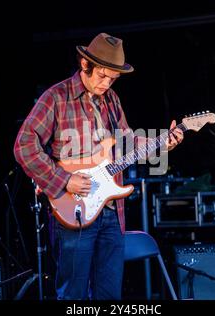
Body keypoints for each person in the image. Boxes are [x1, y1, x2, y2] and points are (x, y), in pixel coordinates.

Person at [13, 33, 183, 300]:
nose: (107, 83)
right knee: (74, 296)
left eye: (113, 78)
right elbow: (24, 145)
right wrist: (63, 180)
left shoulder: (112, 100)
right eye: (102, 76)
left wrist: (162, 143)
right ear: (84, 65)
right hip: (74, 212)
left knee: (109, 295)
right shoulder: (56, 98)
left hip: (112, 214)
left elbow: (127, 142)